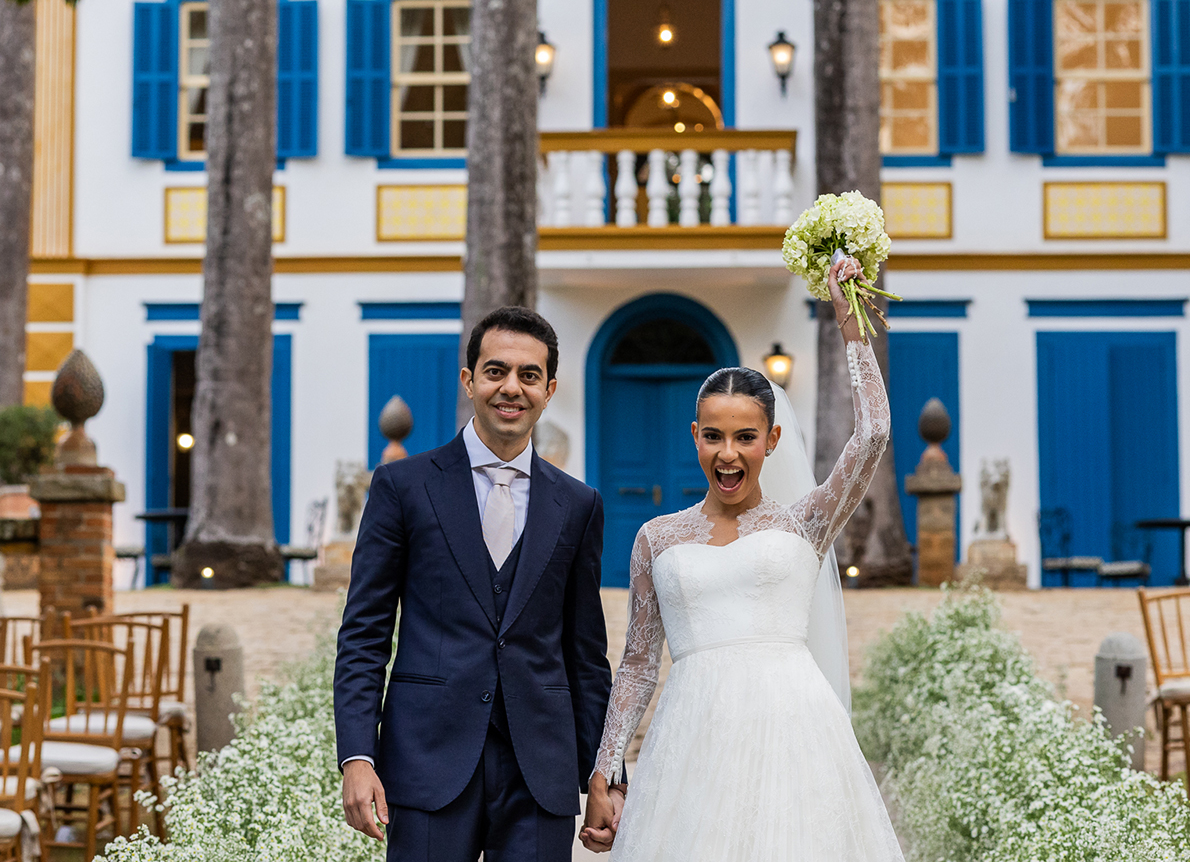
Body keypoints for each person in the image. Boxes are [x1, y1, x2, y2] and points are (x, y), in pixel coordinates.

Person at [579, 256, 904, 860]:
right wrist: (606, 770)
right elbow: (638, 666)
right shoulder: (657, 537)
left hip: (795, 731)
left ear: (771, 441)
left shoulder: (806, 521)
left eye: (746, 438)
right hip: (690, 740)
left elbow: (875, 435)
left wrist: (849, 318)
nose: (728, 454)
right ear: (695, 435)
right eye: (714, 436)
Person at [334, 306, 618, 862]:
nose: (511, 388)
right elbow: (365, 635)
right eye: (495, 371)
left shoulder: (579, 504)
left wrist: (604, 772)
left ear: (550, 388)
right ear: (469, 381)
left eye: (529, 375)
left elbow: (586, 654)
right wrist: (357, 757)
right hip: (426, 762)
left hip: (540, 769)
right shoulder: (403, 486)